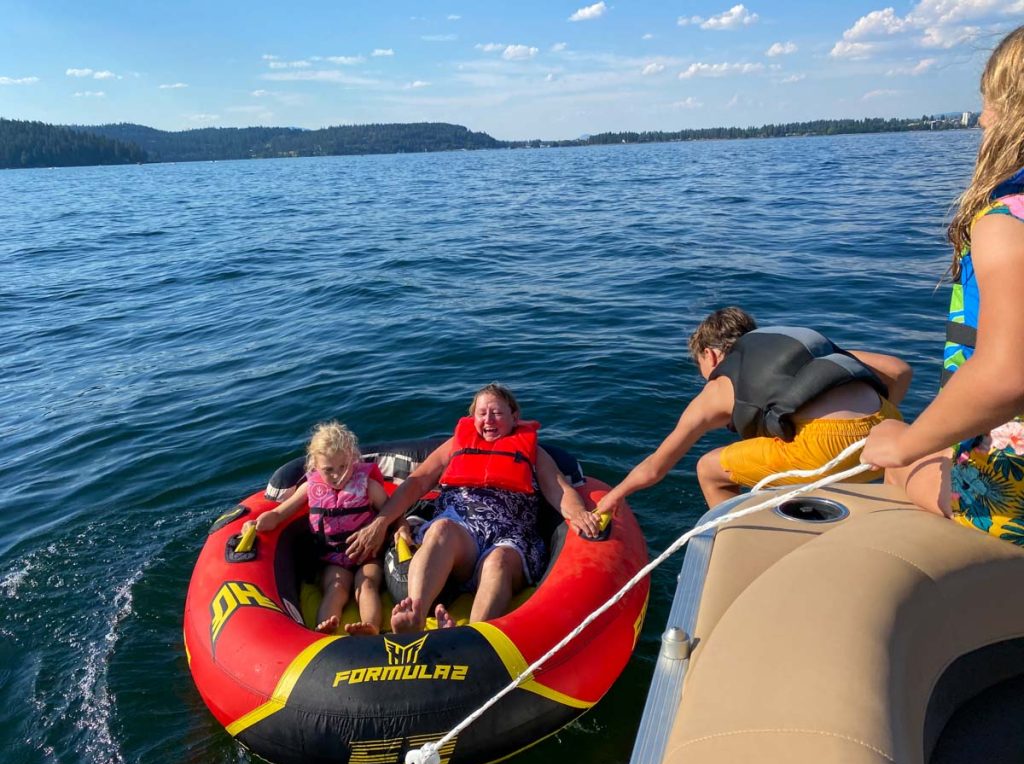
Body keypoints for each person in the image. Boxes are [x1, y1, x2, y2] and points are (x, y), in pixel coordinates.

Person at [861, 25, 1024, 546]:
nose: (981, 119)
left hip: (1011, 494)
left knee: (890, 455)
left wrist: (905, 445)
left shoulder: (1006, 222)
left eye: (990, 105)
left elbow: (1006, 376)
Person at [599, 307, 913, 511]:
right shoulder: (797, 345)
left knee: (708, 469)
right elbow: (899, 370)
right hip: (888, 437)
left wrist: (611, 499)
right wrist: (866, 428)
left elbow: (655, 467)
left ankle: (737, 549)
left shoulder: (719, 386)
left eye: (701, 368)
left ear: (710, 356)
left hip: (825, 449)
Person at [344, 383, 600, 633]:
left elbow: (559, 491)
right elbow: (417, 482)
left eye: (497, 412)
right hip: (461, 531)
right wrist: (382, 521)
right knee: (441, 528)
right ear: (472, 417)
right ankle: (416, 616)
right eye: (482, 413)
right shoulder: (456, 445)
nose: (488, 419)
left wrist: (579, 514)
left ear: (514, 417)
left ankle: (474, 637)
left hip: (510, 537)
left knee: (498, 561)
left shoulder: (534, 453)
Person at [243, 421, 388, 635]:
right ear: (315, 466)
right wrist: (255, 524)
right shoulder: (310, 488)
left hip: (368, 555)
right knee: (335, 589)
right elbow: (279, 514)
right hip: (334, 559)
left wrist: (400, 531)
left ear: (353, 459)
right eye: (329, 470)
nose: (337, 475)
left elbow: (391, 512)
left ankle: (371, 626)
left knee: (366, 585)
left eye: (343, 467)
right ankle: (326, 628)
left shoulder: (368, 486)